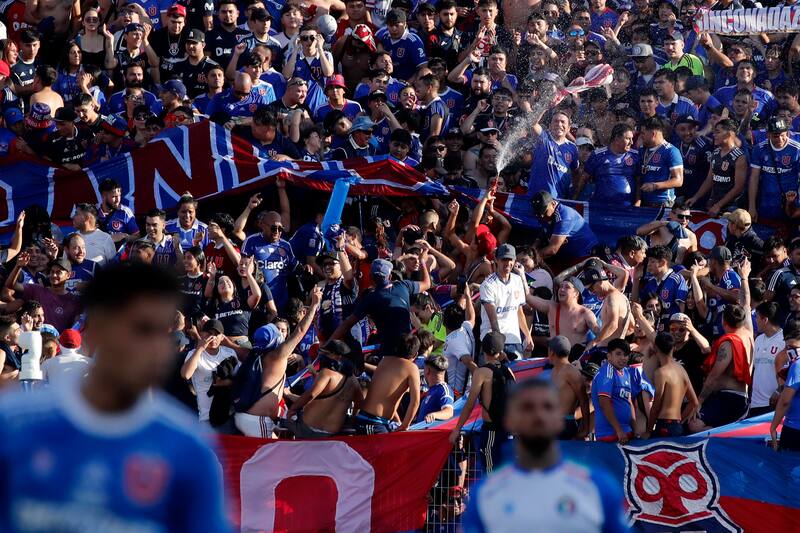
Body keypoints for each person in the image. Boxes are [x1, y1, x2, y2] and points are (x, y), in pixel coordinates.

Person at [0, 262, 230, 532]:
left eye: (163, 333)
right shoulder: (14, 427)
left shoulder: (190, 452)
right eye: (143, 330)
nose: (158, 348)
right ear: (97, 327)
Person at [461, 379, 629, 533]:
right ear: (509, 420)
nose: (538, 416)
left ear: (560, 418)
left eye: (547, 407)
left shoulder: (598, 488)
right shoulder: (485, 494)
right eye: (527, 407)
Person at [233, 286, 321, 438]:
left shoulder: (254, 352)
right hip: (257, 420)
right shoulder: (277, 355)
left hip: (247, 417)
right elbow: (300, 331)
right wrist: (313, 305)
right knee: (269, 460)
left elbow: (234, 346)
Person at [450, 331, 515, 472]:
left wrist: (457, 429)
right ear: (500, 351)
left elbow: (469, 404)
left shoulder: (481, 373)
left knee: (490, 472)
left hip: (491, 428)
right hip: (508, 429)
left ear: (483, 351)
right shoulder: (509, 371)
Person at [690, 304, 753, 431]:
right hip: (741, 397)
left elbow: (714, 375)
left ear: (723, 321)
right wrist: (744, 282)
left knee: (694, 424)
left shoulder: (728, 343)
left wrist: (699, 402)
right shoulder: (749, 335)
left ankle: (722, 437)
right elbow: (746, 302)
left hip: (727, 398)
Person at [286, 339, 362, 438]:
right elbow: (359, 403)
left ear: (337, 357)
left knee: (280, 422)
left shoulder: (327, 373)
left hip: (308, 428)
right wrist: (351, 419)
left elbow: (311, 395)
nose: (324, 356)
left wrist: (292, 407)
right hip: (331, 433)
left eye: (327, 354)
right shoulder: (353, 381)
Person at [355, 332, 422, 433]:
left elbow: (386, 398)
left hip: (363, 417)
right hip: (375, 422)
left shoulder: (384, 360)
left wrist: (399, 422)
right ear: (416, 354)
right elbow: (415, 402)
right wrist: (405, 425)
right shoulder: (412, 368)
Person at [479, 244, 532, 359]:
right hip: (492, 340)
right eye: (504, 259)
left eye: (510, 259)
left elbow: (519, 311)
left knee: (516, 376)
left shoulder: (517, 280)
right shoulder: (488, 285)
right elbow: (493, 319)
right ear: (497, 260)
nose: (508, 263)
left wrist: (527, 335)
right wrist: (499, 346)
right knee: (490, 376)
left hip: (514, 339)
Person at [180, 319, 239, 423]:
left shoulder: (230, 353)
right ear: (202, 334)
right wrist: (200, 349)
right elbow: (185, 375)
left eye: (217, 334)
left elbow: (239, 380)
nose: (213, 337)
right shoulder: (194, 354)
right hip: (206, 417)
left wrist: (226, 383)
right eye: (209, 334)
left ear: (222, 337)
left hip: (228, 414)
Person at [644, 332, 699, 437]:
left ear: (655, 347)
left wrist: (649, 431)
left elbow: (656, 405)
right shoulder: (681, 369)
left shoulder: (661, 373)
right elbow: (694, 403)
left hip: (664, 426)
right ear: (674, 348)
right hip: (676, 426)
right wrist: (680, 421)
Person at [592, 338, 635, 443]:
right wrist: (619, 430)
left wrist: (635, 427)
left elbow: (628, 401)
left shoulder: (626, 372)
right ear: (609, 356)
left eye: (625, 354)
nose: (623, 358)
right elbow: (604, 403)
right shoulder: (607, 372)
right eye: (618, 354)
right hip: (610, 434)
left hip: (626, 432)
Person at [547, 335, 590, 440]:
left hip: (564, 424)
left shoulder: (572, 372)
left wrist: (586, 429)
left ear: (551, 352)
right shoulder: (554, 370)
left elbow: (584, 400)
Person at [750, 302, 784, 418]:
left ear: (765, 320)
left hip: (773, 405)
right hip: (755, 405)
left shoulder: (784, 341)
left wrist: (779, 391)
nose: (755, 321)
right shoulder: (758, 339)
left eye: (757, 318)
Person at [417, 354, 455, 423]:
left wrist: (434, 415)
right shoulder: (432, 390)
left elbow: (449, 412)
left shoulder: (444, 389)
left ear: (427, 370)